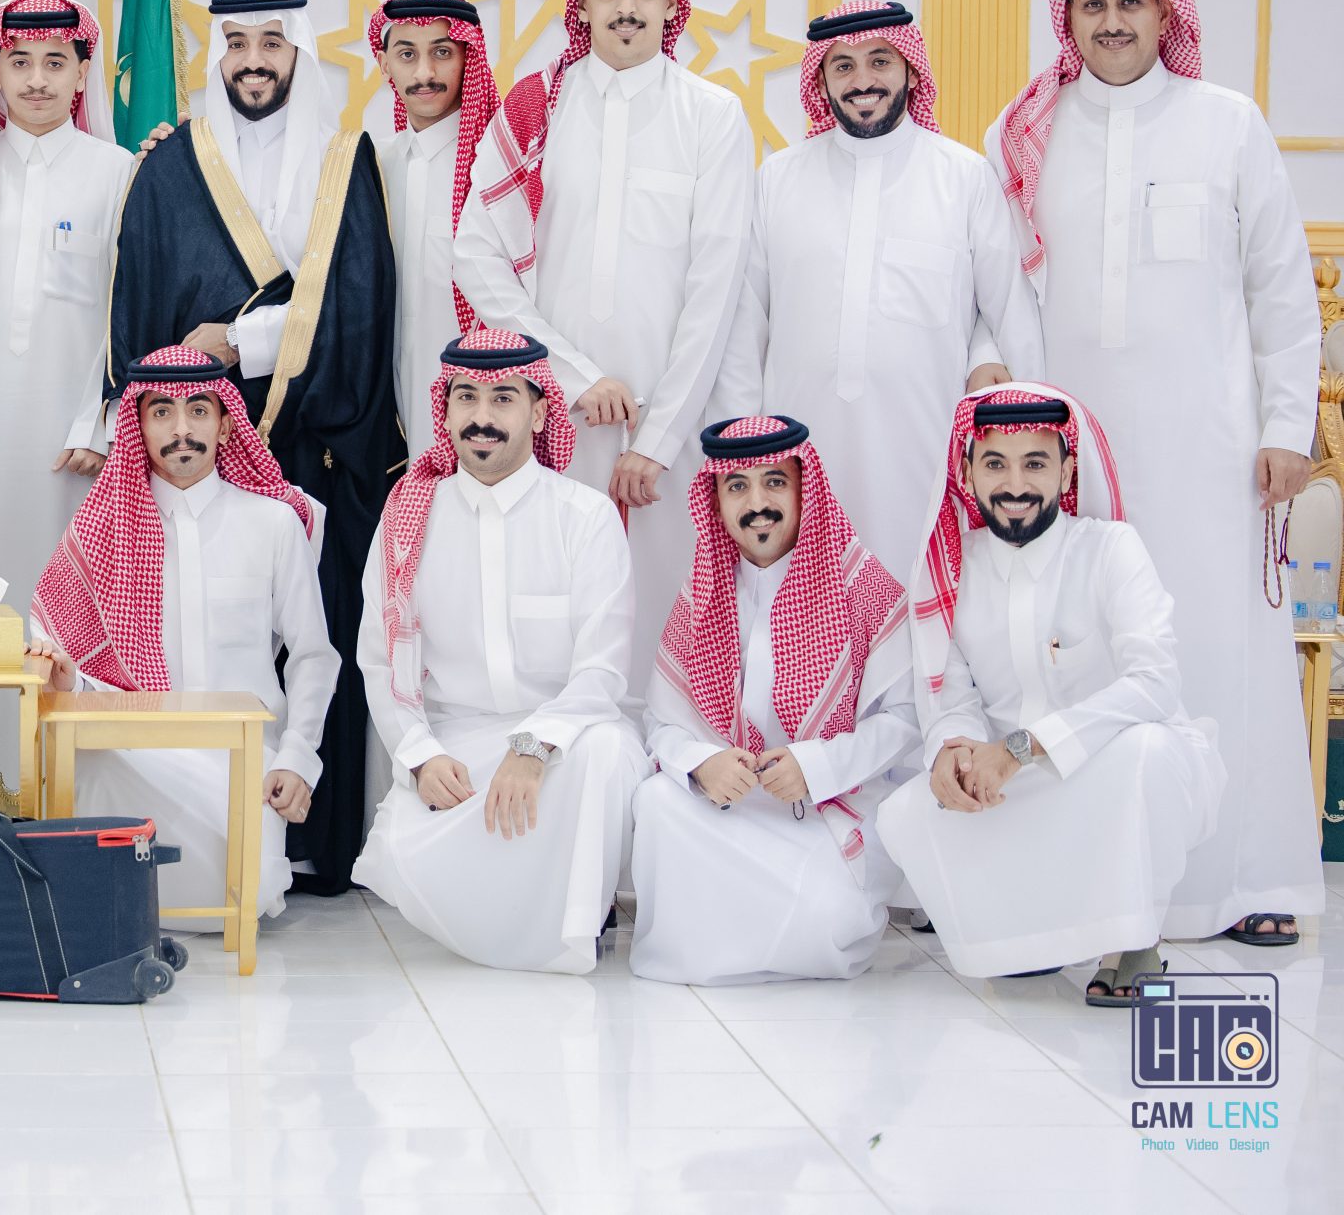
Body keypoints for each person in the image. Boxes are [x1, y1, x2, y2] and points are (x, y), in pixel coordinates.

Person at [987, 0, 1320, 949]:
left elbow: (1280, 285)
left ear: (1166, 14)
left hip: (1211, 448)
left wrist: (1286, 426)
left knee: (1223, 651)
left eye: (1131, 2)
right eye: (1092, 4)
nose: (1112, 22)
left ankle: (1246, 879)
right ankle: (1101, 889)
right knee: (1090, 651)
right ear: (1067, 17)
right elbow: (1000, 289)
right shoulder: (1027, 130)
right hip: (1074, 455)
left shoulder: (1227, 124)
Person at [106, 0, 398, 894]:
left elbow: (360, 301)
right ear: (218, 56)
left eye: (272, 42)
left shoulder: (346, 160)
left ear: (299, 52)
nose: (254, 61)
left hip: (315, 438)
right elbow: (138, 302)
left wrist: (243, 341)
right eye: (237, 44)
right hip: (193, 450)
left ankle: (306, 836)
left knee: (315, 632)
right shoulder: (171, 166)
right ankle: (179, 826)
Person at [454, 0, 753, 691]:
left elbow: (716, 288)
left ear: (671, 4)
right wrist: (571, 375)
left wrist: (658, 437)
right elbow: (475, 255)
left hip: (672, 423)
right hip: (555, 417)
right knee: (556, 606)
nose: (627, 6)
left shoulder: (712, 114)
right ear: (580, 4)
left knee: (666, 614)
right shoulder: (537, 107)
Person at [876, 388, 1224, 1000]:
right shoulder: (950, 570)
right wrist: (953, 751)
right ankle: (1032, 937)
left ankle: (1132, 939)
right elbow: (950, 696)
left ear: (1066, 472)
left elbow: (1154, 683)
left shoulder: (1111, 549)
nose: (1015, 485)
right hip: (1013, 787)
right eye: (995, 464)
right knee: (903, 813)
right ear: (967, 474)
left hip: (1110, 772)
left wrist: (1022, 746)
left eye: (1035, 463)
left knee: (1148, 751)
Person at [714, 1, 1042, 575]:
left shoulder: (963, 178)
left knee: (922, 603)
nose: (862, 80)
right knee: (812, 606)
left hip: (924, 454)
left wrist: (1020, 430)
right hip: (798, 458)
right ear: (821, 80)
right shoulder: (778, 180)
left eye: (880, 61)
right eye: (842, 66)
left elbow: (1008, 310)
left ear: (911, 69)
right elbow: (744, 326)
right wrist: (744, 451)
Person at [351, 329, 642, 973]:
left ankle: (570, 931)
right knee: (400, 851)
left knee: (606, 753)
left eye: (503, 398)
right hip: (460, 744)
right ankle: (516, 919)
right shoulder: (407, 519)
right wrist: (421, 756)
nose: (482, 416)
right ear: (446, 408)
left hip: (565, 740)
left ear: (539, 413)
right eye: (467, 397)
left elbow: (603, 670)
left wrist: (535, 746)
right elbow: (380, 662)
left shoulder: (585, 516)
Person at [29, 345, 339, 921]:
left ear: (226, 425)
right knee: (95, 775)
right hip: (135, 752)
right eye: (161, 412)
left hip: (242, 758)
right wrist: (71, 681)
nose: (181, 430)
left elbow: (313, 656)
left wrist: (298, 757)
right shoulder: (101, 530)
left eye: (198, 410)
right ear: (137, 427)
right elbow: (70, 667)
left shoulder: (273, 523)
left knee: (251, 895)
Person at [630, 415, 918, 985]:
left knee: (823, 923)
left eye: (774, 482)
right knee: (659, 801)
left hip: (829, 808)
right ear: (716, 501)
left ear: (804, 488)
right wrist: (701, 765)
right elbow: (662, 722)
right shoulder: (704, 592)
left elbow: (906, 720)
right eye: (737, 486)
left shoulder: (864, 587)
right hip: (730, 804)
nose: (757, 504)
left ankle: (732, 938)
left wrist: (817, 766)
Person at [0, 0, 131, 783]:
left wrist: (99, 420)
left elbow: (128, 311)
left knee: (62, 606)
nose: (35, 80)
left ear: (82, 74)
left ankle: (59, 791)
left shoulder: (117, 174)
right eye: (19, 62)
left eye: (55, 63)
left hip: (73, 445)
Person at [372, 0, 500, 465]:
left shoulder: (500, 163)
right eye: (407, 54)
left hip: (482, 403)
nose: (424, 73)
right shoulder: (371, 164)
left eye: (442, 53)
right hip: (385, 412)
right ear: (385, 64)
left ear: (468, 58)